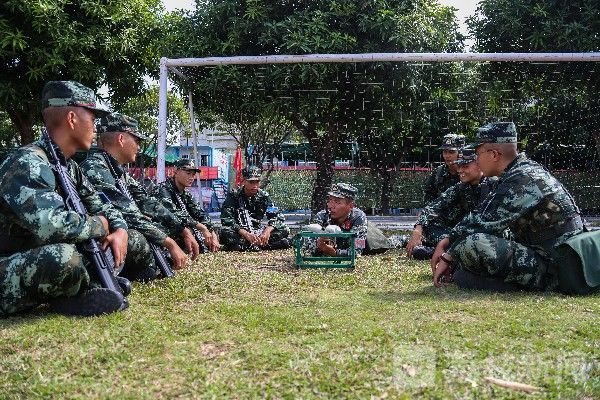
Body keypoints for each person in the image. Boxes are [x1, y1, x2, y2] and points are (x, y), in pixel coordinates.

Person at [0, 80, 129, 317]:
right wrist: (100, 224)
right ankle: (71, 297)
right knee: (64, 259)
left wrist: (120, 229)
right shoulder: (28, 163)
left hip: (31, 258)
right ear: (72, 118)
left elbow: (100, 204)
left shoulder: (68, 167)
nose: (96, 128)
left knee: (100, 251)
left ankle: (74, 295)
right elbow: (51, 225)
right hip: (10, 262)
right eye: (92, 119)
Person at [431, 122, 599, 294]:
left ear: (494, 154)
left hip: (558, 264)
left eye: (477, 153)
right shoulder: (518, 172)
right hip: (552, 254)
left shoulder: (522, 179)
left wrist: (448, 254)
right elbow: (482, 215)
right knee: (471, 247)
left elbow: (483, 222)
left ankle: (540, 283)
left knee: (473, 244)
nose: (476, 159)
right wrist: (449, 240)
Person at [80, 113, 197, 279]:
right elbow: (130, 215)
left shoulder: (117, 171)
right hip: (100, 238)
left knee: (160, 229)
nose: (139, 147)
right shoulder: (95, 168)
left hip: (116, 232)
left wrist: (182, 228)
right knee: (137, 239)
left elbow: (147, 203)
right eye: (136, 140)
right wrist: (169, 243)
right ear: (121, 139)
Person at [406, 147, 497, 260]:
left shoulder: (494, 184)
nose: (459, 170)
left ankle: (440, 251)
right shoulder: (461, 187)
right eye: (459, 166)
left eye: (465, 166)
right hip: (464, 232)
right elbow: (434, 207)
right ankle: (449, 250)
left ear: (479, 165)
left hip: (487, 235)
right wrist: (418, 229)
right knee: (430, 223)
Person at [151, 158, 221, 252]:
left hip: (180, 229)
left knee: (218, 231)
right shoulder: (163, 190)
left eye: (193, 174)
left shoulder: (185, 194)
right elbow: (173, 213)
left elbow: (200, 214)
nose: (191, 177)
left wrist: (212, 232)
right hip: (160, 230)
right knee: (187, 230)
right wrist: (201, 227)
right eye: (188, 173)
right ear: (176, 172)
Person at [309, 183, 391, 256]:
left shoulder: (358, 217)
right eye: (330, 200)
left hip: (371, 239)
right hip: (343, 244)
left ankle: (403, 239)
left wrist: (334, 253)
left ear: (351, 206)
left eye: (337, 202)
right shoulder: (322, 216)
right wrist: (318, 246)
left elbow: (357, 251)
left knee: (389, 243)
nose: (330, 206)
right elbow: (307, 249)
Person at [220, 166, 290, 251]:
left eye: (257, 182)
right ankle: (266, 245)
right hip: (240, 232)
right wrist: (245, 233)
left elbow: (277, 216)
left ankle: (246, 246)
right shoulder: (234, 196)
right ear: (244, 181)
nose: (255, 186)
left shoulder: (263, 196)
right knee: (224, 232)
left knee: (284, 228)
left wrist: (267, 231)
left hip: (258, 232)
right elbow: (226, 220)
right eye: (251, 182)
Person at [422, 133, 465, 204]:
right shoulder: (438, 173)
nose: (447, 156)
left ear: (460, 153)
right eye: (445, 152)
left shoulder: (468, 172)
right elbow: (428, 195)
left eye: (451, 152)